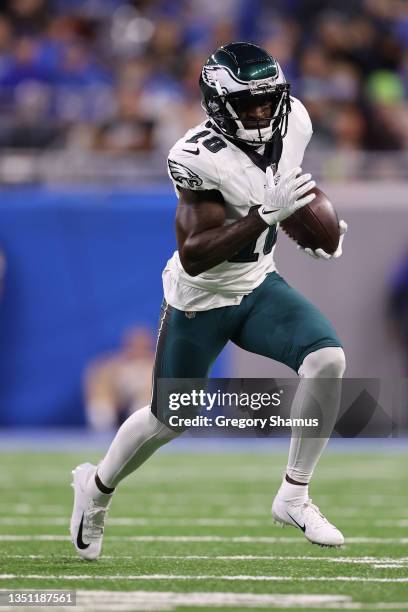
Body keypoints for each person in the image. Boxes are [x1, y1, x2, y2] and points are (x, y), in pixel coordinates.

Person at [70, 42, 348, 560]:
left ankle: (295, 493)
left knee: (327, 358)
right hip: (201, 296)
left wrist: (318, 231)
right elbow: (196, 254)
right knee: (169, 418)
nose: (264, 112)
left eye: (270, 100)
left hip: (258, 283)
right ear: (219, 105)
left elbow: (289, 190)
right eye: (251, 104)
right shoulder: (195, 157)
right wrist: (264, 216)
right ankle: (97, 488)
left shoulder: (297, 124)